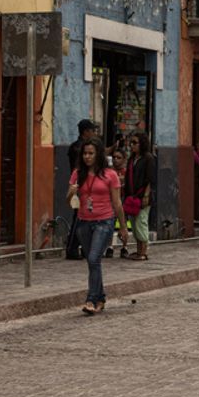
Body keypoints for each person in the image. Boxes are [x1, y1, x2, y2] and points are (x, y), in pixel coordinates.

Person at [68, 137, 127, 314]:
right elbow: (70, 202)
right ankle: (100, 297)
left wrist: (122, 227)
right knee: (93, 262)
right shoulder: (78, 173)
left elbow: (117, 203)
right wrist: (70, 193)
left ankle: (91, 300)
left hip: (104, 221)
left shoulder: (110, 175)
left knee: (93, 259)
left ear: (98, 154)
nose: (87, 157)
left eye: (91, 153)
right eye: (85, 153)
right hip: (83, 222)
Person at [124, 132, 155, 261]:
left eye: (135, 143)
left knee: (141, 223)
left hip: (143, 195)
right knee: (134, 224)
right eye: (131, 143)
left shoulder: (148, 158)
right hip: (132, 196)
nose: (132, 145)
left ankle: (143, 252)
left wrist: (146, 196)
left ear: (142, 143)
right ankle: (137, 250)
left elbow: (150, 179)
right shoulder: (132, 159)